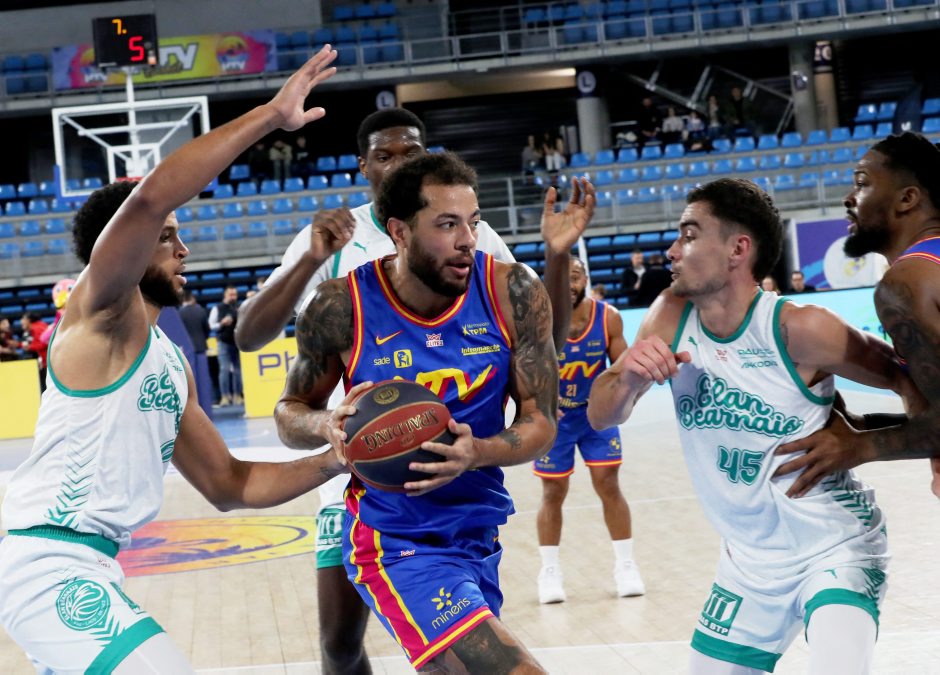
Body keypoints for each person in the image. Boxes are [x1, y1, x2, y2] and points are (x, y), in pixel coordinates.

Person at [0, 47, 353, 674]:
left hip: (91, 564)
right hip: (44, 561)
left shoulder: (169, 362)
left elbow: (229, 484)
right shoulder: (100, 313)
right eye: (167, 237)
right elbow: (148, 199)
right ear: (126, 246)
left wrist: (338, 458)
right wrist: (272, 116)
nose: (183, 249)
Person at [236, 106, 592, 674]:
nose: (467, 239)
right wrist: (326, 425)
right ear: (398, 231)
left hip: (476, 522)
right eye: (449, 225)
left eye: (473, 222)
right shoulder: (339, 298)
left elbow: (541, 413)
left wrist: (479, 450)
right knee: (348, 645)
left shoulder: (508, 285)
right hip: (390, 527)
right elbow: (287, 406)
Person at [587, 177, 920, 673]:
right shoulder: (670, 314)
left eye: (689, 235)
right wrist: (629, 378)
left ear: (738, 249)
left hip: (835, 545)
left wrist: (865, 441)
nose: (672, 250)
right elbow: (600, 415)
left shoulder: (800, 327)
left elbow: (913, 381)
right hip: (748, 564)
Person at [774, 132, 940, 498]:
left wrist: (858, 446)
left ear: (907, 198)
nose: (849, 198)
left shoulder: (907, 283)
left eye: (862, 183)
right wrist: (862, 426)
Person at [534, 257, 644, 605]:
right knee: (553, 492)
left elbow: (624, 371)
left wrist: (619, 401)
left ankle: (626, 565)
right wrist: (537, 404)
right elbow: (522, 369)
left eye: (576, 276)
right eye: (562, 277)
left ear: (585, 280)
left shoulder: (608, 317)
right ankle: (549, 570)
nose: (569, 283)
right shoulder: (537, 319)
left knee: (609, 484)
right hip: (556, 419)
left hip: (595, 417)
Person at [179, 290, 214, 416]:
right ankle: (207, 411)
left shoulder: (179, 313)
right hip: (200, 348)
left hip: (186, 353)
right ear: (193, 298)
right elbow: (207, 330)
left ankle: (192, 413)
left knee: (189, 384)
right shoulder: (200, 311)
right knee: (204, 381)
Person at [209, 286, 242, 406]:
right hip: (223, 342)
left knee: (238, 370)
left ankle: (237, 395)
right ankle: (225, 396)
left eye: (235, 295)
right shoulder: (217, 308)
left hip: (237, 342)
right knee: (224, 369)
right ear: (225, 295)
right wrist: (221, 323)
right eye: (231, 295)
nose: (233, 297)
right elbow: (211, 325)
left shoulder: (239, 307)